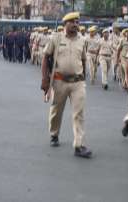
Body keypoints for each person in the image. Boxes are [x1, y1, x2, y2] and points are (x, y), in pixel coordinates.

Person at [41, 12, 92, 158]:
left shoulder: (82, 40)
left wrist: (82, 76)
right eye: (73, 22)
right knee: (56, 111)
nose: (76, 24)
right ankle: (54, 134)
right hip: (59, 81)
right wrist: (44, 79)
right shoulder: (56, 38)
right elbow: (45, 57)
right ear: (66, 24)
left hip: (77, 83)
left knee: (79, 114)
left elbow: (83, 59)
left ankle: (79, 145)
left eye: (77, 22)